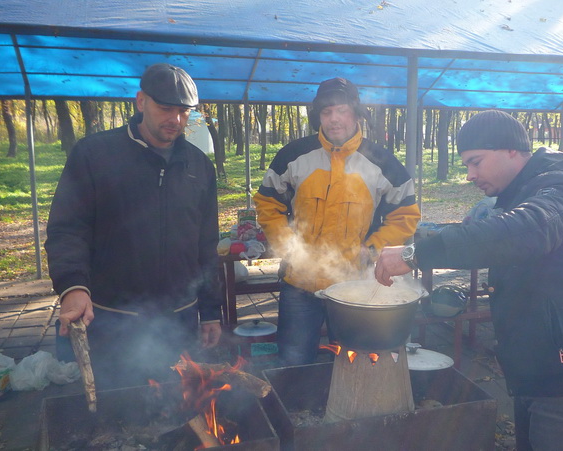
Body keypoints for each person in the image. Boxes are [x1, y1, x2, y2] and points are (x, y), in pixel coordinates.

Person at [375, 110, 563, 450]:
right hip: (538, 371)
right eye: (466, 165)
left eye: (476, 162)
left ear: (511, 149)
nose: (470, 175)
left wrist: (415, 254)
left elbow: (526, 229)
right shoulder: (524, 191)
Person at [45, 63, 223, 389]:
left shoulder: (199, 166)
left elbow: (207, 243)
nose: (176, 119)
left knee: (177, 402)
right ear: (141, 101)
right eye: (165, 108)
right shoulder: (95, 154)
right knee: (116, 404)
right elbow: (67, 229)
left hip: (179, 318)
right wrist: (73, 287)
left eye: (184, 111)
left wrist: (211, 311)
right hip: (113, 318)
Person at [253, 77, 421, 365]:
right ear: (318, 116)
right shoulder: (293, 156)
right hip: (299, 283)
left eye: (342, 110)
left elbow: (405, 214)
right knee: (294, 361)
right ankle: (299, 395)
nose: (334, 119)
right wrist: (289, 247)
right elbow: (268, 204)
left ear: (356, 114)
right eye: (327, 111)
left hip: (356, 286)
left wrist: (373, 249)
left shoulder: (382, 162)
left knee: (353, 362)